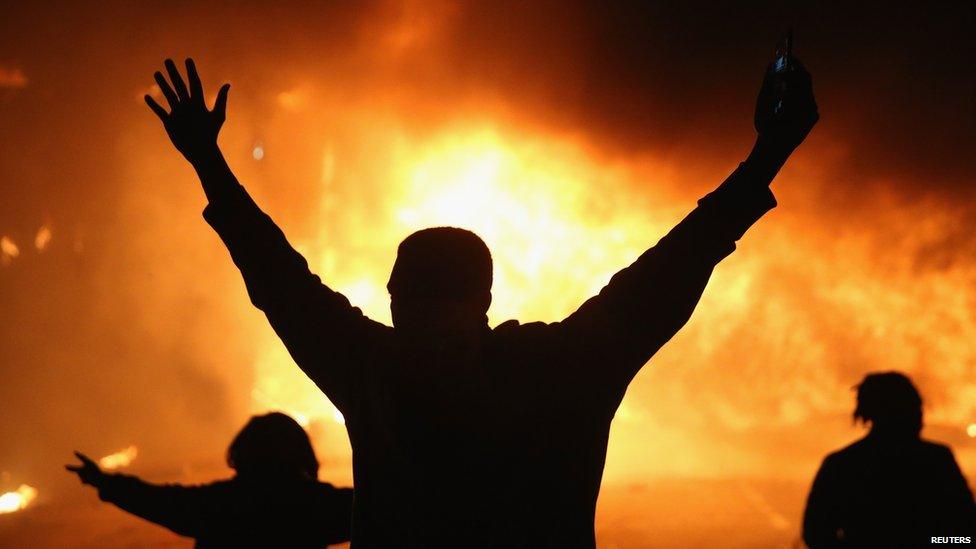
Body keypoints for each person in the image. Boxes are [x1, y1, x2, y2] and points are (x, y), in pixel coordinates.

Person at [144, 53, 817, 547]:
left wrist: (208, 161)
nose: (407, 310)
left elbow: (277, 278)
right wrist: (768, 154)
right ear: (485, 296)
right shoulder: (565, 366)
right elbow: (673, 267)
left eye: (406, 294)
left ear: (402, 296)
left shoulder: (372, 368)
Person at [66, 412, 353, 548]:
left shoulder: (219, 502)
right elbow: (385, 508)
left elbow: (157, 500)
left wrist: (102, 481)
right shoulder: (318, 504)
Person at [803, 372, 975, 548]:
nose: (920, 416)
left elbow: (815, 533)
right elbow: (966, 530)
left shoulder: (840, 464)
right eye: (915, 407)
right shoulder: (937, 460)